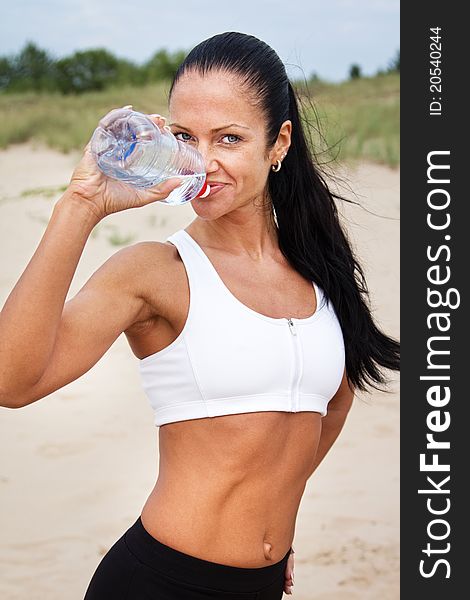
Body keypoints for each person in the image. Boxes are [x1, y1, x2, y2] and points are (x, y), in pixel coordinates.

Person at [0, 31, 400, 599]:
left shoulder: (317, 272)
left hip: (262, 586)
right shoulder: (154, 272)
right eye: (185, 136)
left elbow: (333, 400)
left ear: (278, 142)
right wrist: (81, 206)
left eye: (229, 138)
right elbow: (10, 382)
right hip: (159, 582)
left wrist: (277, 521)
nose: (203, 161)